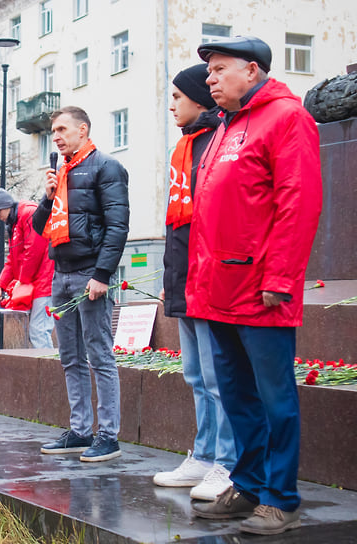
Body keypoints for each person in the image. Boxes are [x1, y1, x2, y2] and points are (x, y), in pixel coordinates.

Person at [186, 36, 322, 536]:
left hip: (262, 289)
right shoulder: (227, 125)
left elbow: (299, 202)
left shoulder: (286, 117)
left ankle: (280, 498)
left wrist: (281, 276)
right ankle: (248, 485)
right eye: (209, 72)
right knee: (238, 396)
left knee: (273, 397)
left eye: (220, 69)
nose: (210, 79)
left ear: (252, 69)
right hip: (219, 287)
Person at [152, 64, 236, 500]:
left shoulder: (217, 143)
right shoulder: (185, 148)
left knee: (217, 378)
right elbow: (177, 224)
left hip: (208, 280)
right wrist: (172, 277)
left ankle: (227, 463)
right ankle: (204, 455)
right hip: (185, 278)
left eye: (177, 98)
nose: (172, 105)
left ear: (199, 101)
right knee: (196, 376)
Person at [32, 106, 129, 462]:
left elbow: (118, 227)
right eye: (53, 131)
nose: (56, 136)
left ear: (83, 130)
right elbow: (39, 227)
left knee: (100, 355)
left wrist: (102, 275)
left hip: (90, 275)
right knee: (70, 357)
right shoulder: (61, 172)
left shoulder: (107, 167)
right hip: (62, 275)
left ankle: (108, 436)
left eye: (61, 129)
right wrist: (47, 195)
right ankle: (79, 431)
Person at [0, 188, 55, 349]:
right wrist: (0, 285)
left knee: (39, 331)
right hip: (37, 283)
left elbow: (33, 251)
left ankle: (51, 372)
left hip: (44, 282)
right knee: (38, 331)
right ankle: (50, 369)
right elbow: (12, 259)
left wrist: (22, 281)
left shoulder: (27, 214)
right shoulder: (15, 222)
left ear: (7, 206)